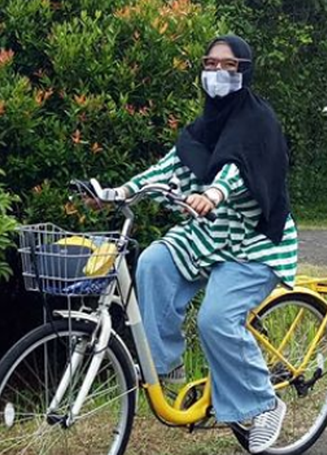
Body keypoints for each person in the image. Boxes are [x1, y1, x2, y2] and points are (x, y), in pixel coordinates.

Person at [96, 35, 296, 453]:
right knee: (152, 262)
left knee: (215, 319)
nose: (217, 72)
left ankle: (263, 403)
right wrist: (117, 192)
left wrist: (214, 195)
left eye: (228, 65)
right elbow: (167, 168)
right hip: (211, 234)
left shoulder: (259, 122)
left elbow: (239, 170)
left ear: (245, 69)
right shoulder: (202, 127)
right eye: (210, 63)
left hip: (253, 242)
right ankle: (166, 367)